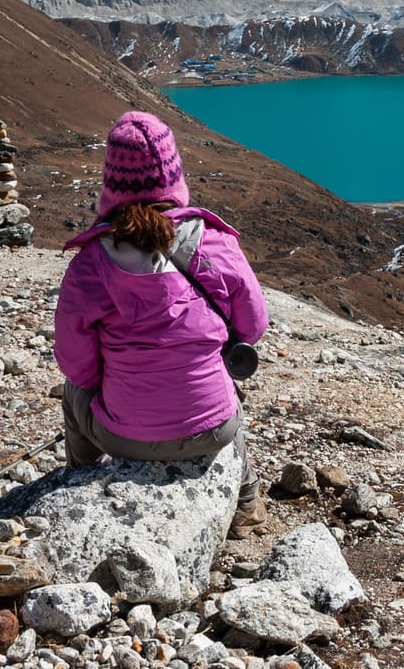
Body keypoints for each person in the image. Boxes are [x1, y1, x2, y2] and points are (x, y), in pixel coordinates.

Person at [55, 110, 269, 539]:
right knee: (222, 386)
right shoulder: (214, 244)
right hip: (215, 430)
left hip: (121, 436)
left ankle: (78, 480)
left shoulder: (90, 264)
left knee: (73, 391)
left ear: (111, 183)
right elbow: (254, 326)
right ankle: (246, 502)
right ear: (173, 176)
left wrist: (114, 385)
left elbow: (76, 364)